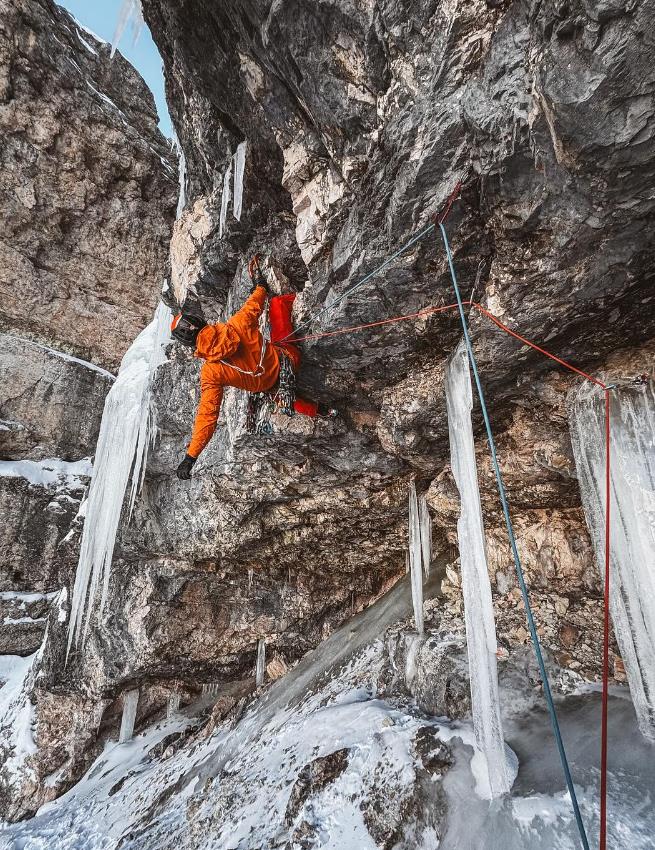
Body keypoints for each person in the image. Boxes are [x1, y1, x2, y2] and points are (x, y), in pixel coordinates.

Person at [171, 257, 334, 480]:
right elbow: (258, 299)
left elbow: (207, 415)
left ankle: (324, 410)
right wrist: (259, 282)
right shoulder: (237, 324)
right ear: (200, 321)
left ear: (188, 344)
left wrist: (190, 457)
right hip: (288, 359)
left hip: (271, 385)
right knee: (278, 305)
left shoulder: (211, 372)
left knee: (282, 397)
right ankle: (316, 299)